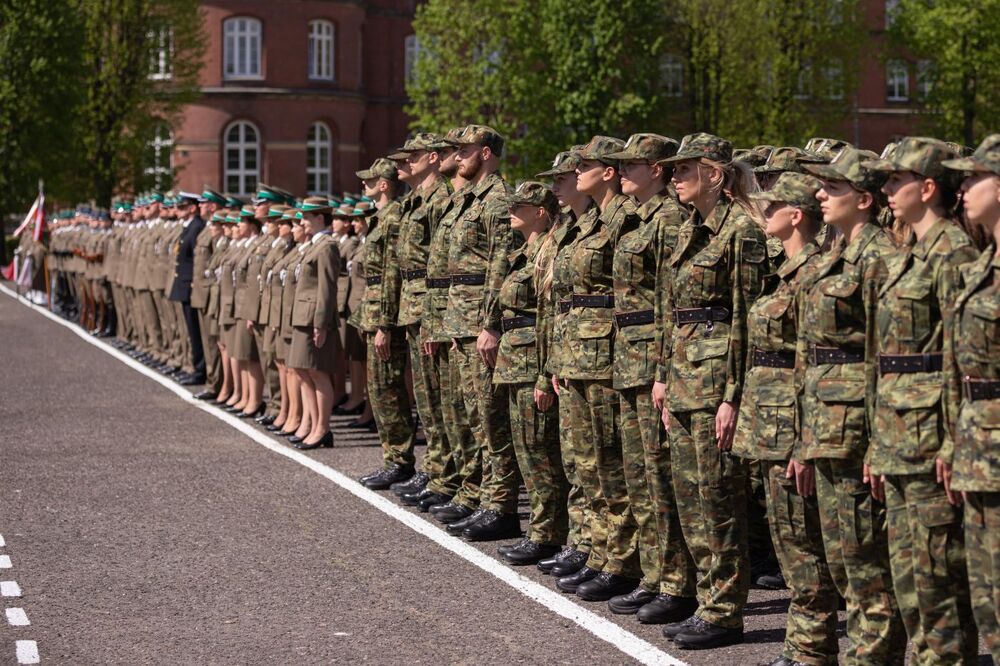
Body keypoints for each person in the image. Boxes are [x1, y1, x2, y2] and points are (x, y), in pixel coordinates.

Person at [864, 137, 980, 665]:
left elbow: (963, 359)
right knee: (911, 579)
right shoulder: (911, 252)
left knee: (938, 582)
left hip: (931, 436)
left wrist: (954, 442)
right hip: (900, 437)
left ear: (927, 188)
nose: (886, 190)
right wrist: (877, 441)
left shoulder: (953, 254)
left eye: (895, 180)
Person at [657, 132, 767, 649]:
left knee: (718, 497)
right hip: (683, 379)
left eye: (684, 169)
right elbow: (671, 313)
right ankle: (707, 600)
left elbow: (747, 319)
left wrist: (733, 396)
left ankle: (724, 610)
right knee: (689, 496)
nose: (673, 177)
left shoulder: (741, 231)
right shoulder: (688, 229)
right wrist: (662, 375)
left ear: (715, 175)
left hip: (715, 380)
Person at [798, 147, 907, 664]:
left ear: (863, 199)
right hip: (826, 425)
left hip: (858, 429)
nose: (820, 194)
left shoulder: (882, 259)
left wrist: (879, 443)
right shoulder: (836, 254)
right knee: (843, 560)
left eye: (833, 188)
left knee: (867, 564)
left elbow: (887, 360)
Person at [736, 172, 840, 666]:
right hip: (768, 418)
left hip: (792, 421)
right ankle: (802, 648)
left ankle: (812, 651)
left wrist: (805, 438)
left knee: (804, 542)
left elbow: (814, 364)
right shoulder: (786, 269)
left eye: (771, 205)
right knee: (789, 539)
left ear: (796, 216)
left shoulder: (816, 273)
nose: (763, 211)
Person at [605, 133, 699, 624]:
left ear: (657, 169)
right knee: (639, 473)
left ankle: (678, 582)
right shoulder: (638, 217)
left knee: (660, 476)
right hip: (628, 355)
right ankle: (654, 573)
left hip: (651, 359)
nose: (620, 172)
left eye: (631, 165)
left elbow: (668, 302)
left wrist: (664, 368)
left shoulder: (668, 220)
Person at [553, 135, 642, 601]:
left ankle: (621, 560)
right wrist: (559, 355)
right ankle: (600, 551)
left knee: (611, 461)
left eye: (584, 164)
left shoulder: (626, 220)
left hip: (608, 353)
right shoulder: (589, 222)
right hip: (579, 352)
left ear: (605, 172)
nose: (575, 170)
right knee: (588, 462)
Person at [436, 125, 518, 541]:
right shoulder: (468, 200)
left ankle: (501, 505)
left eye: (464, 150)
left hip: (479, 323)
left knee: (490, 417)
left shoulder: (498, 200)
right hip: (460, 319)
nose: (458, 156)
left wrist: (490, 324)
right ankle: (483, 496)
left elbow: (498, 268)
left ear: (485, 153)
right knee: (473, 413)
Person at [942, 134, 1000, 664]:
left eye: (973, 178)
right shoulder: (984, 265)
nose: (962, 189)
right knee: (987, 599)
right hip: (979, 446)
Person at [493, 181, 568, 564]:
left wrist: (544, 373)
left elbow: (549, 320)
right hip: (515, 360)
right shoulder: (526, 251)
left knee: (540, 452)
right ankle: (542, 530)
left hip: (530, 362)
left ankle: (549, 532)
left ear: (540, 211)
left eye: (519, 206)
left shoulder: (548, 251)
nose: (511, 211)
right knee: (527, 450)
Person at [534, 147, 596, 578]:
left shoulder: (596, 226)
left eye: (562, 178)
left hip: (596, 356)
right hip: (570, 353)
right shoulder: (569, 229)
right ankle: (584, 541)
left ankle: (596, 547)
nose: (555, 185)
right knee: (576, 457)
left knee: (594, 463)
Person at [387, 134, 457, 513]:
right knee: (427, 398)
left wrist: (435, 316)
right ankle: (435, 469)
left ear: (431, 159)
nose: (403, 163)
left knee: (438, 397)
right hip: (413, 303)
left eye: (411, 157)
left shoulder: (439, 201)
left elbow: (440, 265)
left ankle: (445, 475)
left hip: (430, 302)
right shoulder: (414, 201)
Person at [352, 158, 416, 487]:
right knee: (377, 390)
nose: (364, 185)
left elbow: (392, 273)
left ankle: (400, 459)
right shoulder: (380, 217)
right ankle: (391, 456)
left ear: (384, 185)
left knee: (388, 390)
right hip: (373, 308)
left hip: (383, 313)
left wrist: (386, 324)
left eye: (369, 181)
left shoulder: (393, 218)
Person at [286, 197, 341, 450]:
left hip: (313, 319)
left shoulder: (327, 246)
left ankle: (322, 428)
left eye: (306, 217)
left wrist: (321, 323)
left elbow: (327, 288)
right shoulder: (312, 246)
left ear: (320, 217)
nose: (302, 222)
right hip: (301, 316)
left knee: (317, 373)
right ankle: (311, 424)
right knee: (302, 370)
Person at [168, 191, 208, 386]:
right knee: (190, 330)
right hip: (184, 285)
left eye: (182, 207)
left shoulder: (197, 227)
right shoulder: (189, 227)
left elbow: (196, 261)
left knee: (195, 331)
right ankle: (195, 367)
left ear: (192, 208)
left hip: (191, 286)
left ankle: (200, 370)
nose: (177, 210)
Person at [191, 189, 227, 400]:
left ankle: (215, 383)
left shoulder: (217, 231)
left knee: (214, 342)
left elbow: (217, 267)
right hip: (202, 292)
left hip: (211, 294)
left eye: (204, 203)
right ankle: (212, 380)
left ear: (213, 206)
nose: (200, 207)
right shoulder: (207, 229)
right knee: (207, 341)